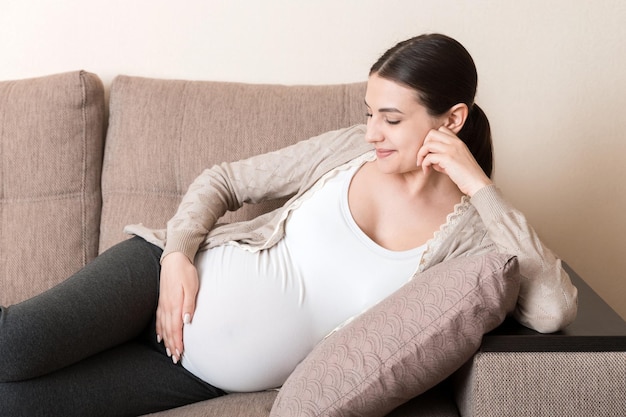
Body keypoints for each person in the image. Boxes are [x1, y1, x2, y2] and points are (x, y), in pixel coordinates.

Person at [0, 33, 577, 416]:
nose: (373, 131)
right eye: (369, 112)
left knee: (18, 404)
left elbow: (553, 310)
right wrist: (176, 254)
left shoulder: (474, 234)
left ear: (452, 119)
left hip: (198, 376)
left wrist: (480, 186)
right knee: (16, 347)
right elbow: (223, 179)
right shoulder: (353, 150)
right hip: (154, 278)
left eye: (392, 118)